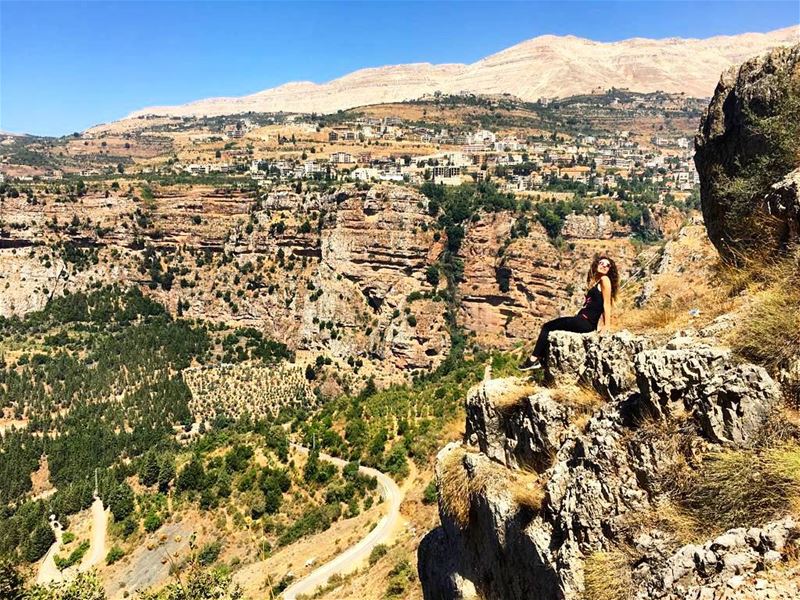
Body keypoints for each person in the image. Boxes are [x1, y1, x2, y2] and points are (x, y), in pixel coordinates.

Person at [520, 255, 619, 371]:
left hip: (585, 322)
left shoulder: (605, 280)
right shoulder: (596, 282)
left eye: (607, 265)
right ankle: (542, 360)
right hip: (582, 320)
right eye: (602, 263)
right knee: (553, 330)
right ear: (597, 264)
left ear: (609, 270)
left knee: (547, 327)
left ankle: (532, 360)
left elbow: (606, 304)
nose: (604, 266)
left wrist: (607, 325)